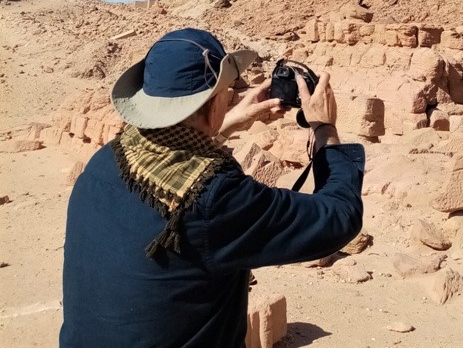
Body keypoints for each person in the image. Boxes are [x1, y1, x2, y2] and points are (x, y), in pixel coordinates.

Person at [60, 28, 364, 348]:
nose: (233, 96)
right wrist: (325, 129)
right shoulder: (215, 197)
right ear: (215, 98)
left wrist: (231, 120)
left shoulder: (108, 159)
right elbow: (337, 218)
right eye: (229, 91)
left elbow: (178, 160)